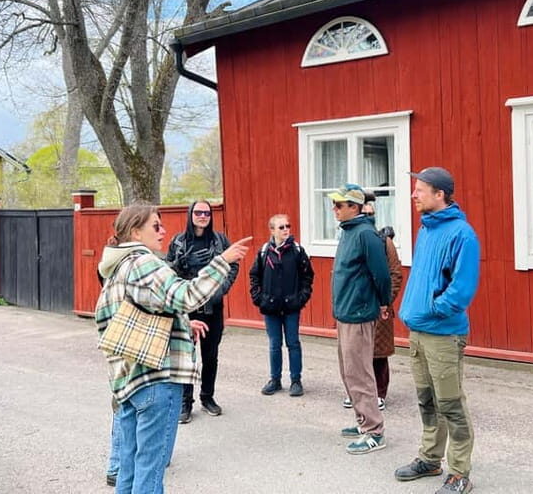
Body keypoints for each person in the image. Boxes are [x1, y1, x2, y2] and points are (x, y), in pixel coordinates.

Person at [95, 204, 250, 494]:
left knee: (128, 467)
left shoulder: (117, 268)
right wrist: (223, 260)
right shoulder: (144, 262)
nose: (163, 231)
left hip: (129, 381)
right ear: (134, 231)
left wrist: (180, 322)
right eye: (156, 226)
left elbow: (122, 317)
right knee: (150, 471)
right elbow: (186, 295)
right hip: (157, 378)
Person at [394, 167, 481, 494]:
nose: (414, 195)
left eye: (420, 190)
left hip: (443, 334)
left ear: (439, 194)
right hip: (418, 331)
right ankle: (430, 459)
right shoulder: (426, 231)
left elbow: (462, 289)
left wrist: (433, 309)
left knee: (451, 404)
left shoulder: (462, 234)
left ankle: (460, 473)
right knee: (427, 400)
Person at [328, 183, 391, 455]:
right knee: (348, 372)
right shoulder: (349, 232)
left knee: (360, 374)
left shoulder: (366, 234)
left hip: (359, 314)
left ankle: (374, 431)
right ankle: (363, 420)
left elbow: (382, 274)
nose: (335, 209)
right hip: (345, 314)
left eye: (340, 205)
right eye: (335, 204)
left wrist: (384, 302)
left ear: (354, 207)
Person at [165, 200, 240, 422]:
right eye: (198, 212)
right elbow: (168, 269)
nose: (202, 216)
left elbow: (233, 265)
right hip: (187, 308)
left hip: (212, 307)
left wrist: (222, 288)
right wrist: (181, 273)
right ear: (190, 215)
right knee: (186, 356)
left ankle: (208, 397)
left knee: (211, 355)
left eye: (206, 213)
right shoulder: (178, 241)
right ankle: (185, 403)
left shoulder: (219, 240)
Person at [342, 193, 402, 412]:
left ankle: (380, 393)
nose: (368, 217)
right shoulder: (351, 238)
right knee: (355, 354)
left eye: (371, 214)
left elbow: (394, 274)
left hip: (378, 308)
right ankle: (356, 393)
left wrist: (385, 301)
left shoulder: (383, 242)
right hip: (356, 307)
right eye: (364, 213)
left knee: (378, 354)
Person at [249, 214, 314, 397]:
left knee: (293, 343)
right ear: (272, 230)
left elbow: (307, 276)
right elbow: (254, 276)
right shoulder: (264, 251)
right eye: (281, 227)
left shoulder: (297, 250)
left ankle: (296, 380)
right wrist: (259, 298)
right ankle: (275, 380)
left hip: (291, 306)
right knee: (274, 344)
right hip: (271, 307)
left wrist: (301, 298)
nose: (286, 229)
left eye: (288, 226)